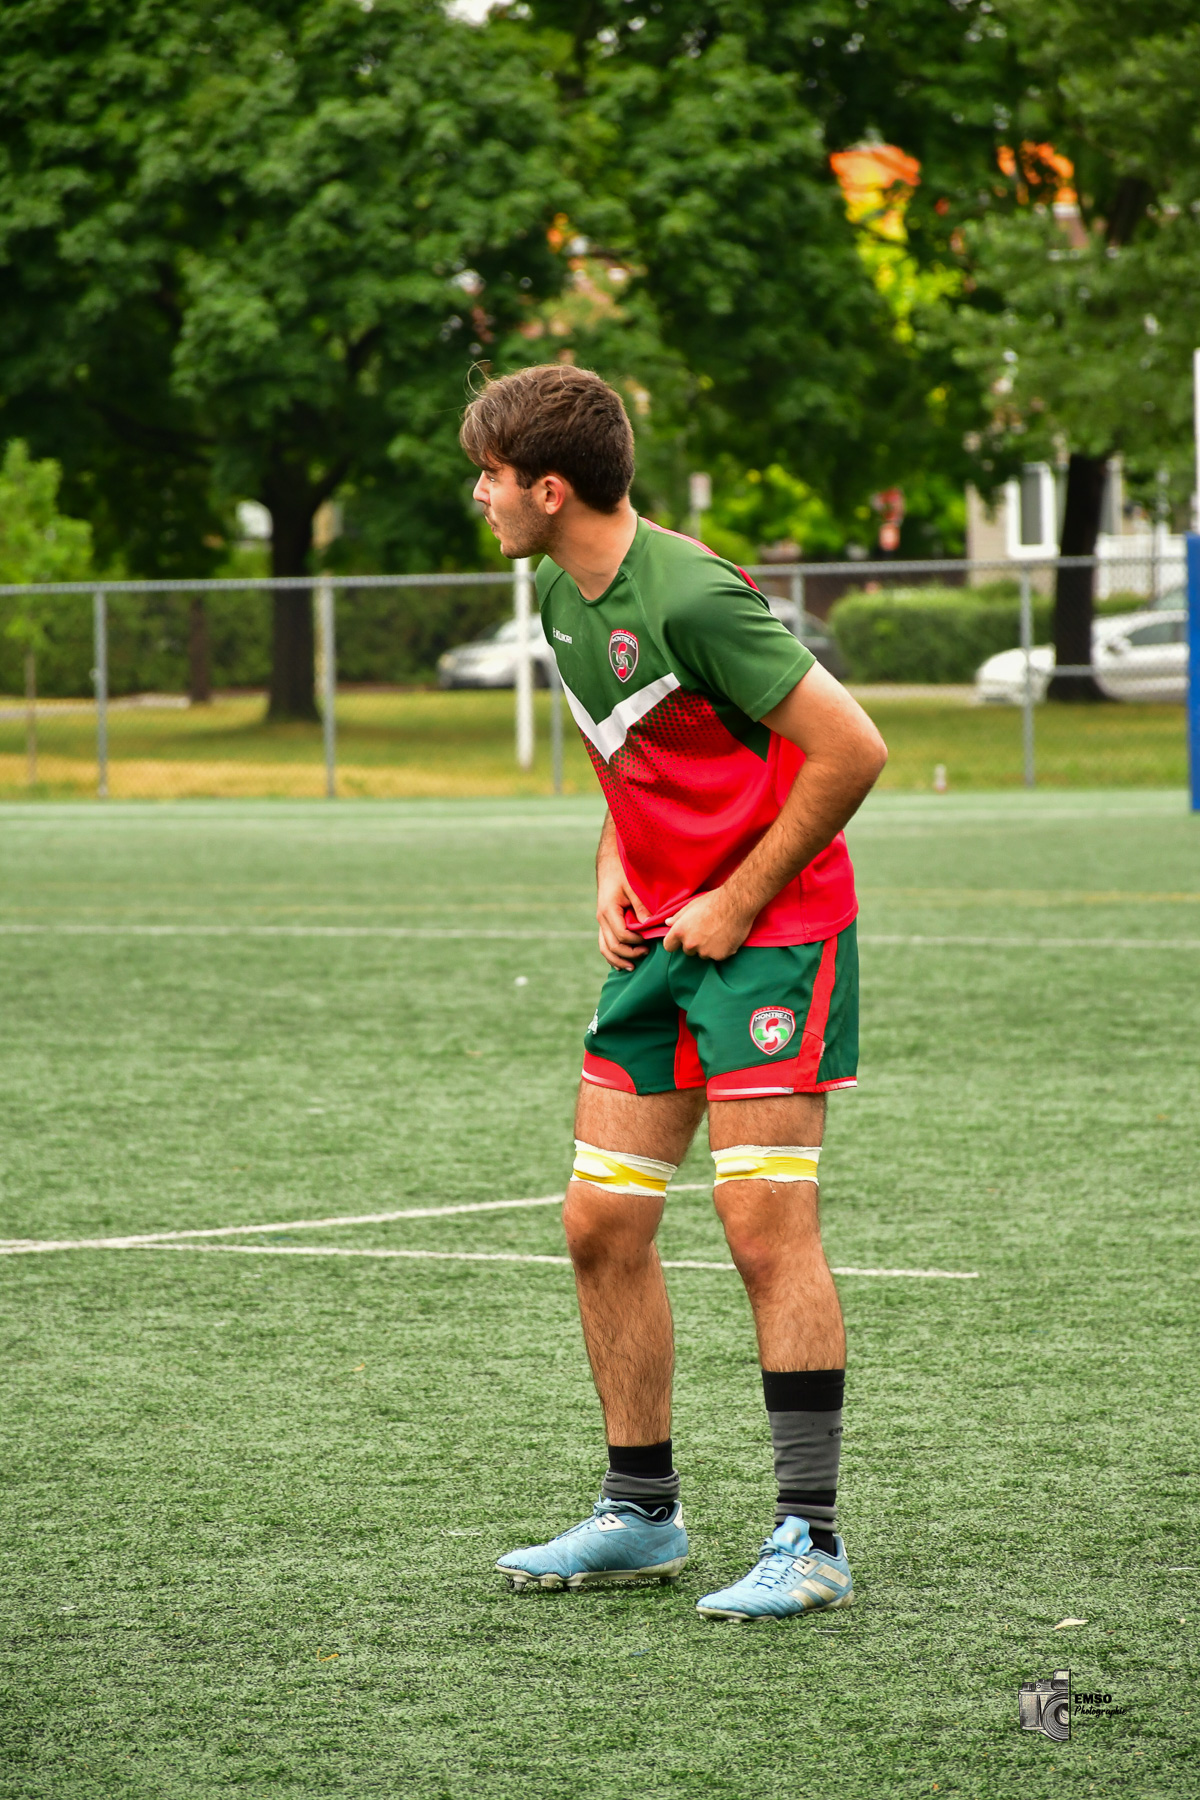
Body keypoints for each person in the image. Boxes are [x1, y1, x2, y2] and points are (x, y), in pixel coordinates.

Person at [459, 365, 887, 1621]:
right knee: (599, 1222)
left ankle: (809, 1537)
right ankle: (641, 1513)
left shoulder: (695, 592)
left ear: (551, 486)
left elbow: (852, 747)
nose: (479, 494)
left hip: (773, 935)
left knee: (763, 1232)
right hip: (659, 941)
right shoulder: (554, 586)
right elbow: (628, 754)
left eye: (491, 475)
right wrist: (612, 863)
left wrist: (739, 900)